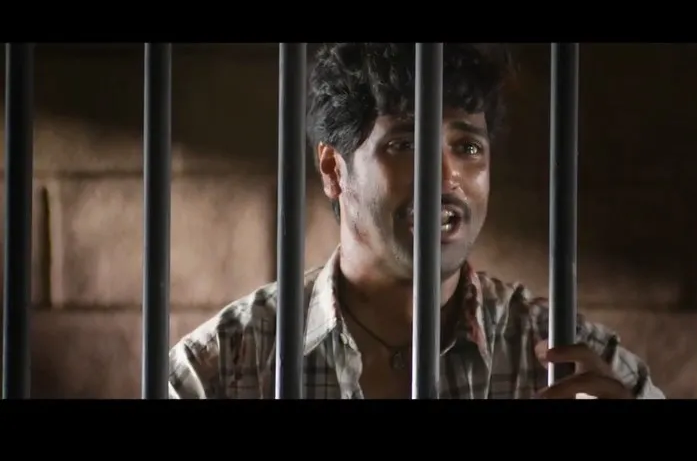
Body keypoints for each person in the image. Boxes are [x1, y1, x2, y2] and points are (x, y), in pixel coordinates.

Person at [167, 43, 665, 400]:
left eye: (468, 146)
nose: (445, 175)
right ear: (333, 169)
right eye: (404, 143)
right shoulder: (224, 366)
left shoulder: (568, 362)